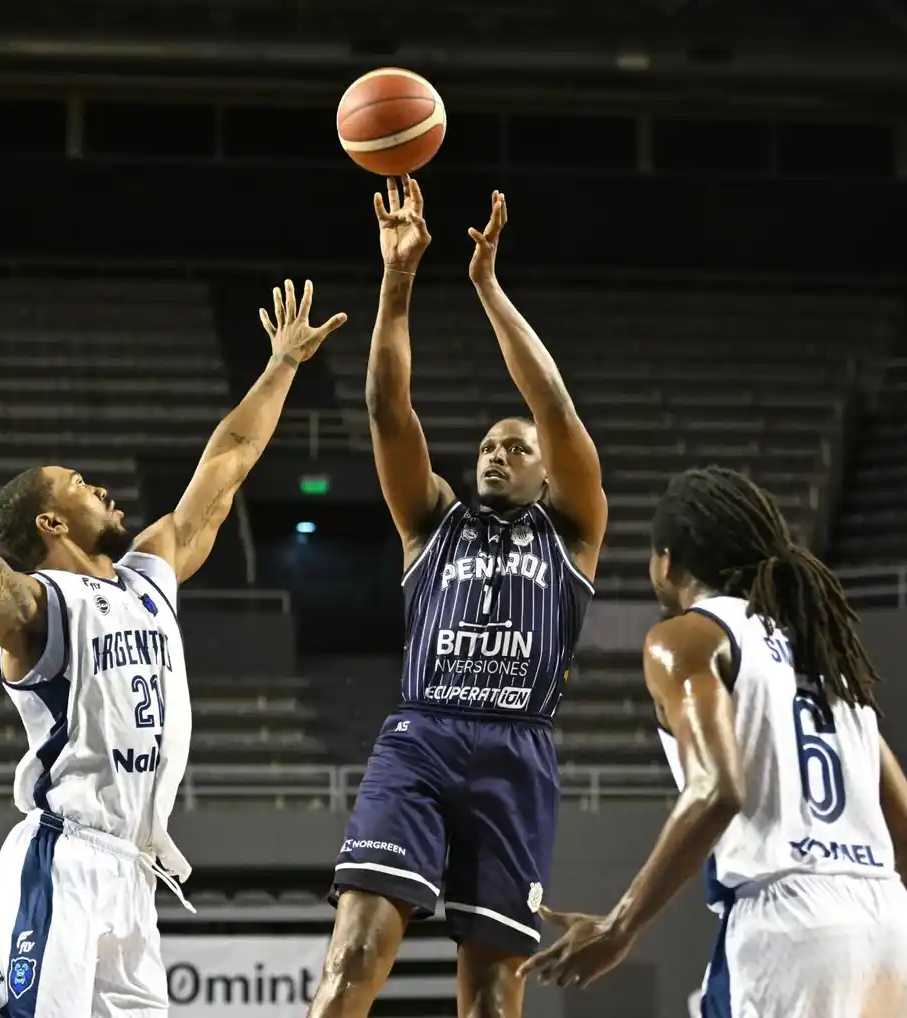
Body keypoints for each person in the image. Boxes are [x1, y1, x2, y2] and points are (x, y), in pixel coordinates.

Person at [0, 287, 346, 1017]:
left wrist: (282, 365)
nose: (99, 487)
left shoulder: (150, 574)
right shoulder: (38, 607)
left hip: (132, 872)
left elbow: (228, 461)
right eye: (78, 485)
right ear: (50, 520)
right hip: (64, 857)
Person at [305, 178, 608, 1018]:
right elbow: (385, 408)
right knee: (355, 956)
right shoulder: (432, 520)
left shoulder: (573, 529)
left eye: (515, 447)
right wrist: (397, 278)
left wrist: (486, 287)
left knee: (490, 992)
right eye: (486, 445)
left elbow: (552, 403)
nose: (496, 454)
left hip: (519, 751)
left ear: (546, 467)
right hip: (423, 737)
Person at [519, 466, 907, 1018]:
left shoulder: (688, 637)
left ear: (667, 561)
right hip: (891, 924)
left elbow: (717, 789)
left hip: (787, 925)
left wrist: (618, 927)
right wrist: (870, 947)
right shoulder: (827, 654)